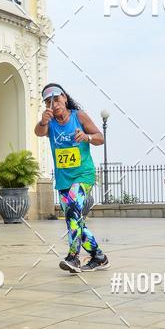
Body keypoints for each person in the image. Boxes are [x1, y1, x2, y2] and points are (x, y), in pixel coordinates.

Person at [35, 83, 109, 273]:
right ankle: (99, 256)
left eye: (57, 99)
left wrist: (86, 137)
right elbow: (39, 132)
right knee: (73, 218)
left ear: (65, 98)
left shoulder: (78, 116)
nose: (53, 104)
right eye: (48, 102)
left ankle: (73, 257)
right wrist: (43, 121)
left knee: (73, 213)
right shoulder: (49, 123)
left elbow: (100, 137)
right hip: (63, 179)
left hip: (83, 175)